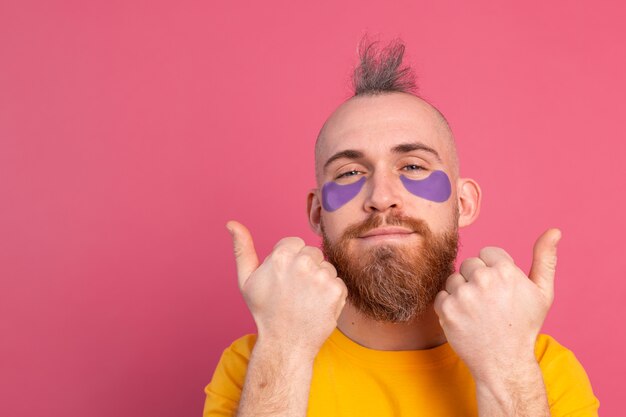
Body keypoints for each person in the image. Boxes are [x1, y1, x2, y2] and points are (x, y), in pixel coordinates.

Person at [203, 37, 599, 416]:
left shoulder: (539, 368)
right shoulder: (257, 364)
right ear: (318, 213)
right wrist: (284, 348)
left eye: (412, 166)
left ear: (464, 203)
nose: (381, 195)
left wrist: (506, 364)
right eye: (350, 171)